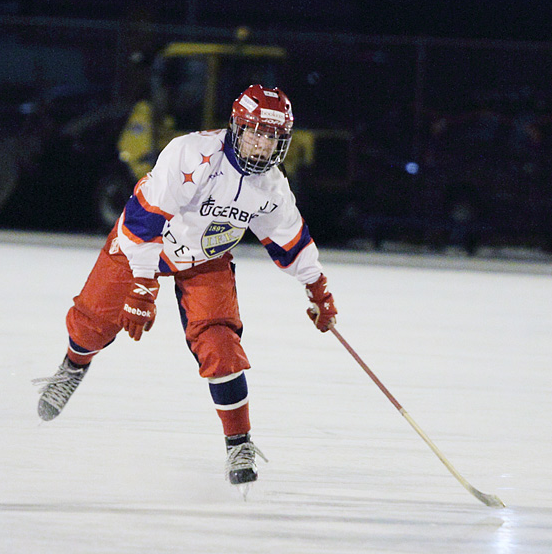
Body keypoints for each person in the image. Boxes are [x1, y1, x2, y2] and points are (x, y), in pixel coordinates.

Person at [34, 84, 337, 488]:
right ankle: (73, 366)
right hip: (144, 247)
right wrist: (143, 285)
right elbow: (144, 219)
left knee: (221, 344)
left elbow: (289, 239)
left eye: (272, 137)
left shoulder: (271, 187)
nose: (262, 145)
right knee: (94, 321)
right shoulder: (193, 155)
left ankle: (239, 442)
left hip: (205, 260)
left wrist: (317, 288)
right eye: (255, 132)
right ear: (237, 127)